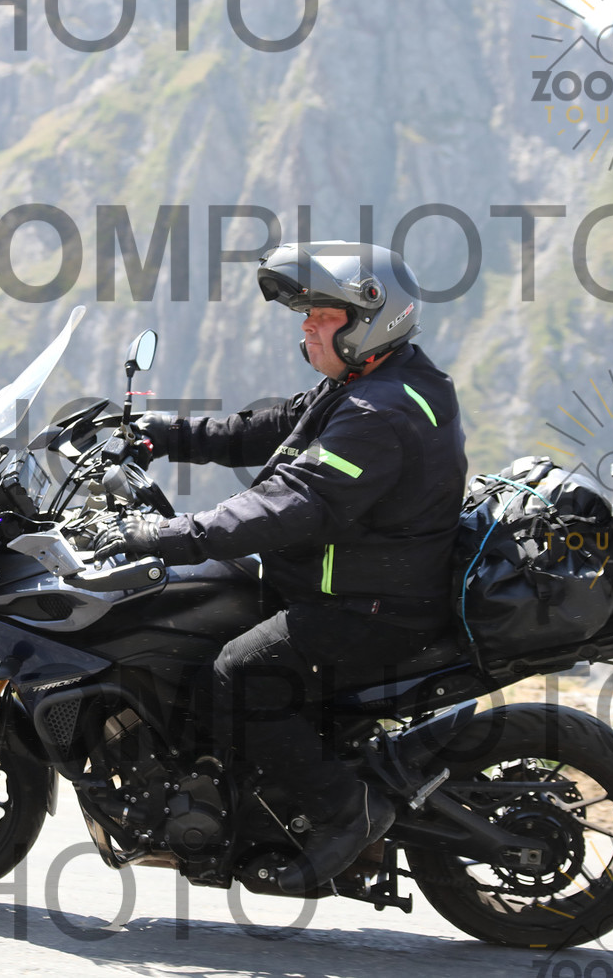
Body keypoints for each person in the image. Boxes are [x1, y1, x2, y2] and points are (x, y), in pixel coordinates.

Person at [92, 241, 468, 893]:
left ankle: (346, 812)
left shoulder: (380, 413)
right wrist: (161, 433)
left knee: (239, 674)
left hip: (371, 607)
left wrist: (170, 535)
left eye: (323, 316)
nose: (307, 326)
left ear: (369, 319)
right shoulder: (372, 383)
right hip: (347, 584)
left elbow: (291, 503)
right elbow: (268, 427)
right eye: (307, 314)